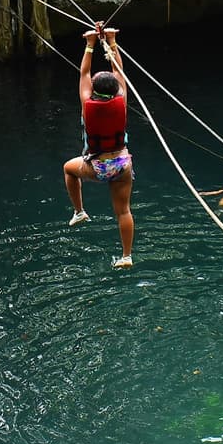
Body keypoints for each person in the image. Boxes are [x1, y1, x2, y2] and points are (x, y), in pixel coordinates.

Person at [63, 23, 134, 269]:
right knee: (123, 211)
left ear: (94, 89)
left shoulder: (87, 105)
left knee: (68, 168)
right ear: (114, 89)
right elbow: (119, 72)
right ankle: (126, 256)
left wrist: (90, 44)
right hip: (122, 164)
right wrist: (112, 42)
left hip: (98, 167)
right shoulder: (121, 101)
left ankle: (79, 211)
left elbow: (83, 75)